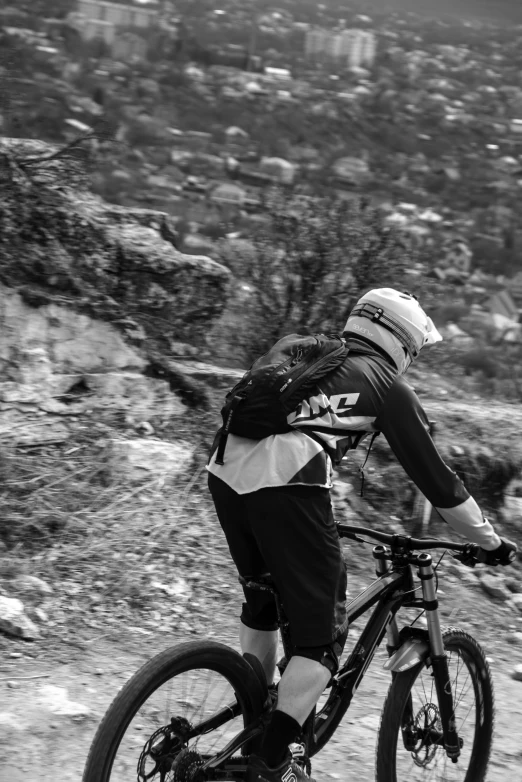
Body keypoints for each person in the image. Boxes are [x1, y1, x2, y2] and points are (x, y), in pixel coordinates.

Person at [207, 288, 517, 782]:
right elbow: (440, 484)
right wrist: (488, 540)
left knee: (264, 600)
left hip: (224, 473)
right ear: (402, 344)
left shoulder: (301, 348)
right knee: (322, 640)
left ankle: (258, 713)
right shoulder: (389, 387)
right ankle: (266, 762)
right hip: (289, 483)